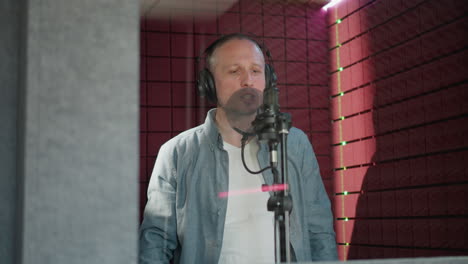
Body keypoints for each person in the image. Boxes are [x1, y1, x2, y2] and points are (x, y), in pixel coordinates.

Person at [139, 33, 337, 264]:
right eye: (235, 71)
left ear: (269, 79)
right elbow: (156, 241)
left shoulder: (293, 143)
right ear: (209, 84)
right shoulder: (177, 153)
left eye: (255, 70)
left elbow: (319, 229)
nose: (248, 81)